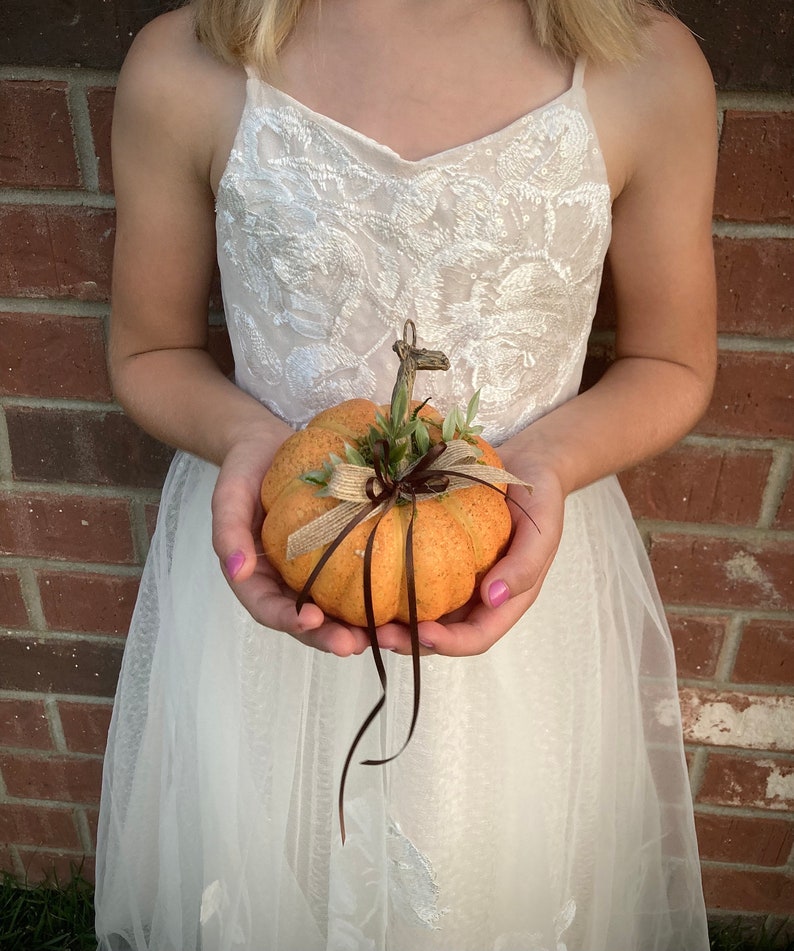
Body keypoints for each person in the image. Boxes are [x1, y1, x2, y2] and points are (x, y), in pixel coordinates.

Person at [95, 0, 717, 947]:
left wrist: (546, 462)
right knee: (274, 863)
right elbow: (151, 350)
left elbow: (672, 361)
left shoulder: (643, 66)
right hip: (282, 560)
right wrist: (246, 440)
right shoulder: (192, 63)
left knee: (495, 861)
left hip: (513, 575)